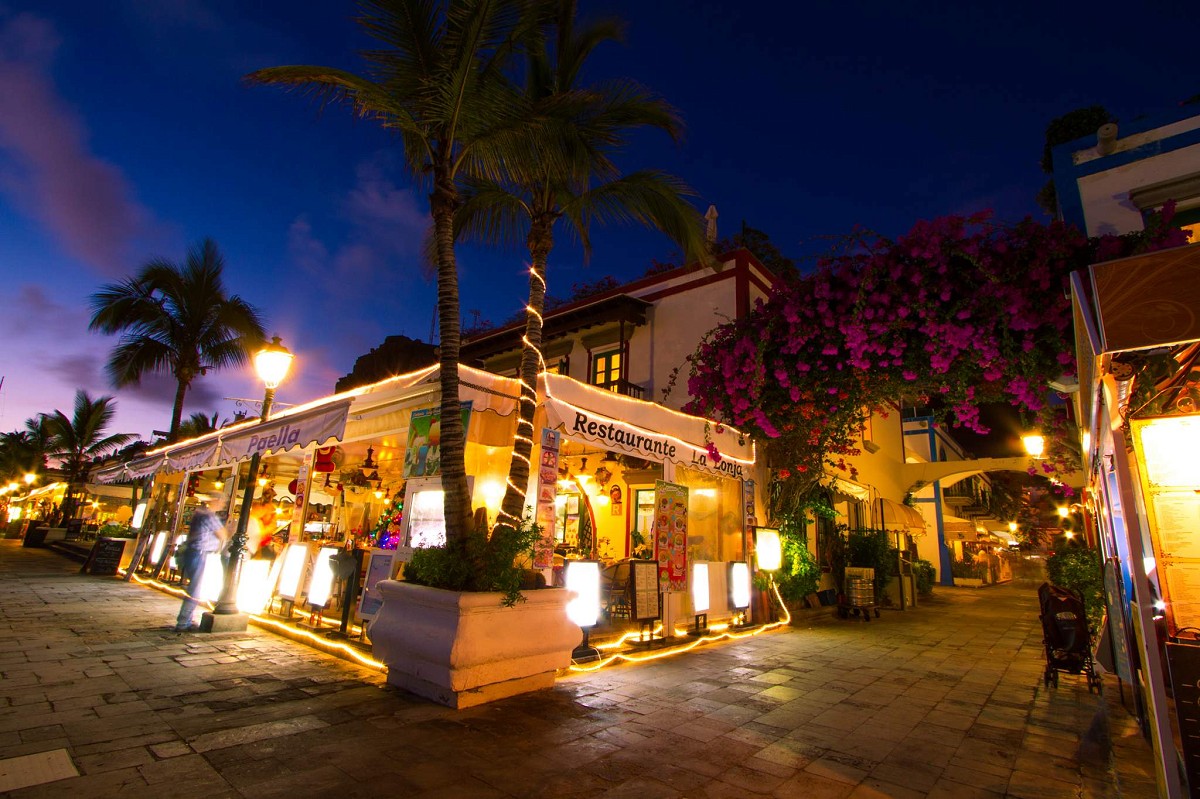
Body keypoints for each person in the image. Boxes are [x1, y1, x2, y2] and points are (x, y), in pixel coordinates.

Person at [174, 495, 229, 632]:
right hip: (199, 553)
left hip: (193, 552)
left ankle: (186, 619)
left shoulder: (199, 513)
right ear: (215, 501)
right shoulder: (209, 516)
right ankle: (183, 622)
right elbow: (222, 535)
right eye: (221, 500)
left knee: (194, 586)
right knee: (196, 588)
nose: (223, 504)